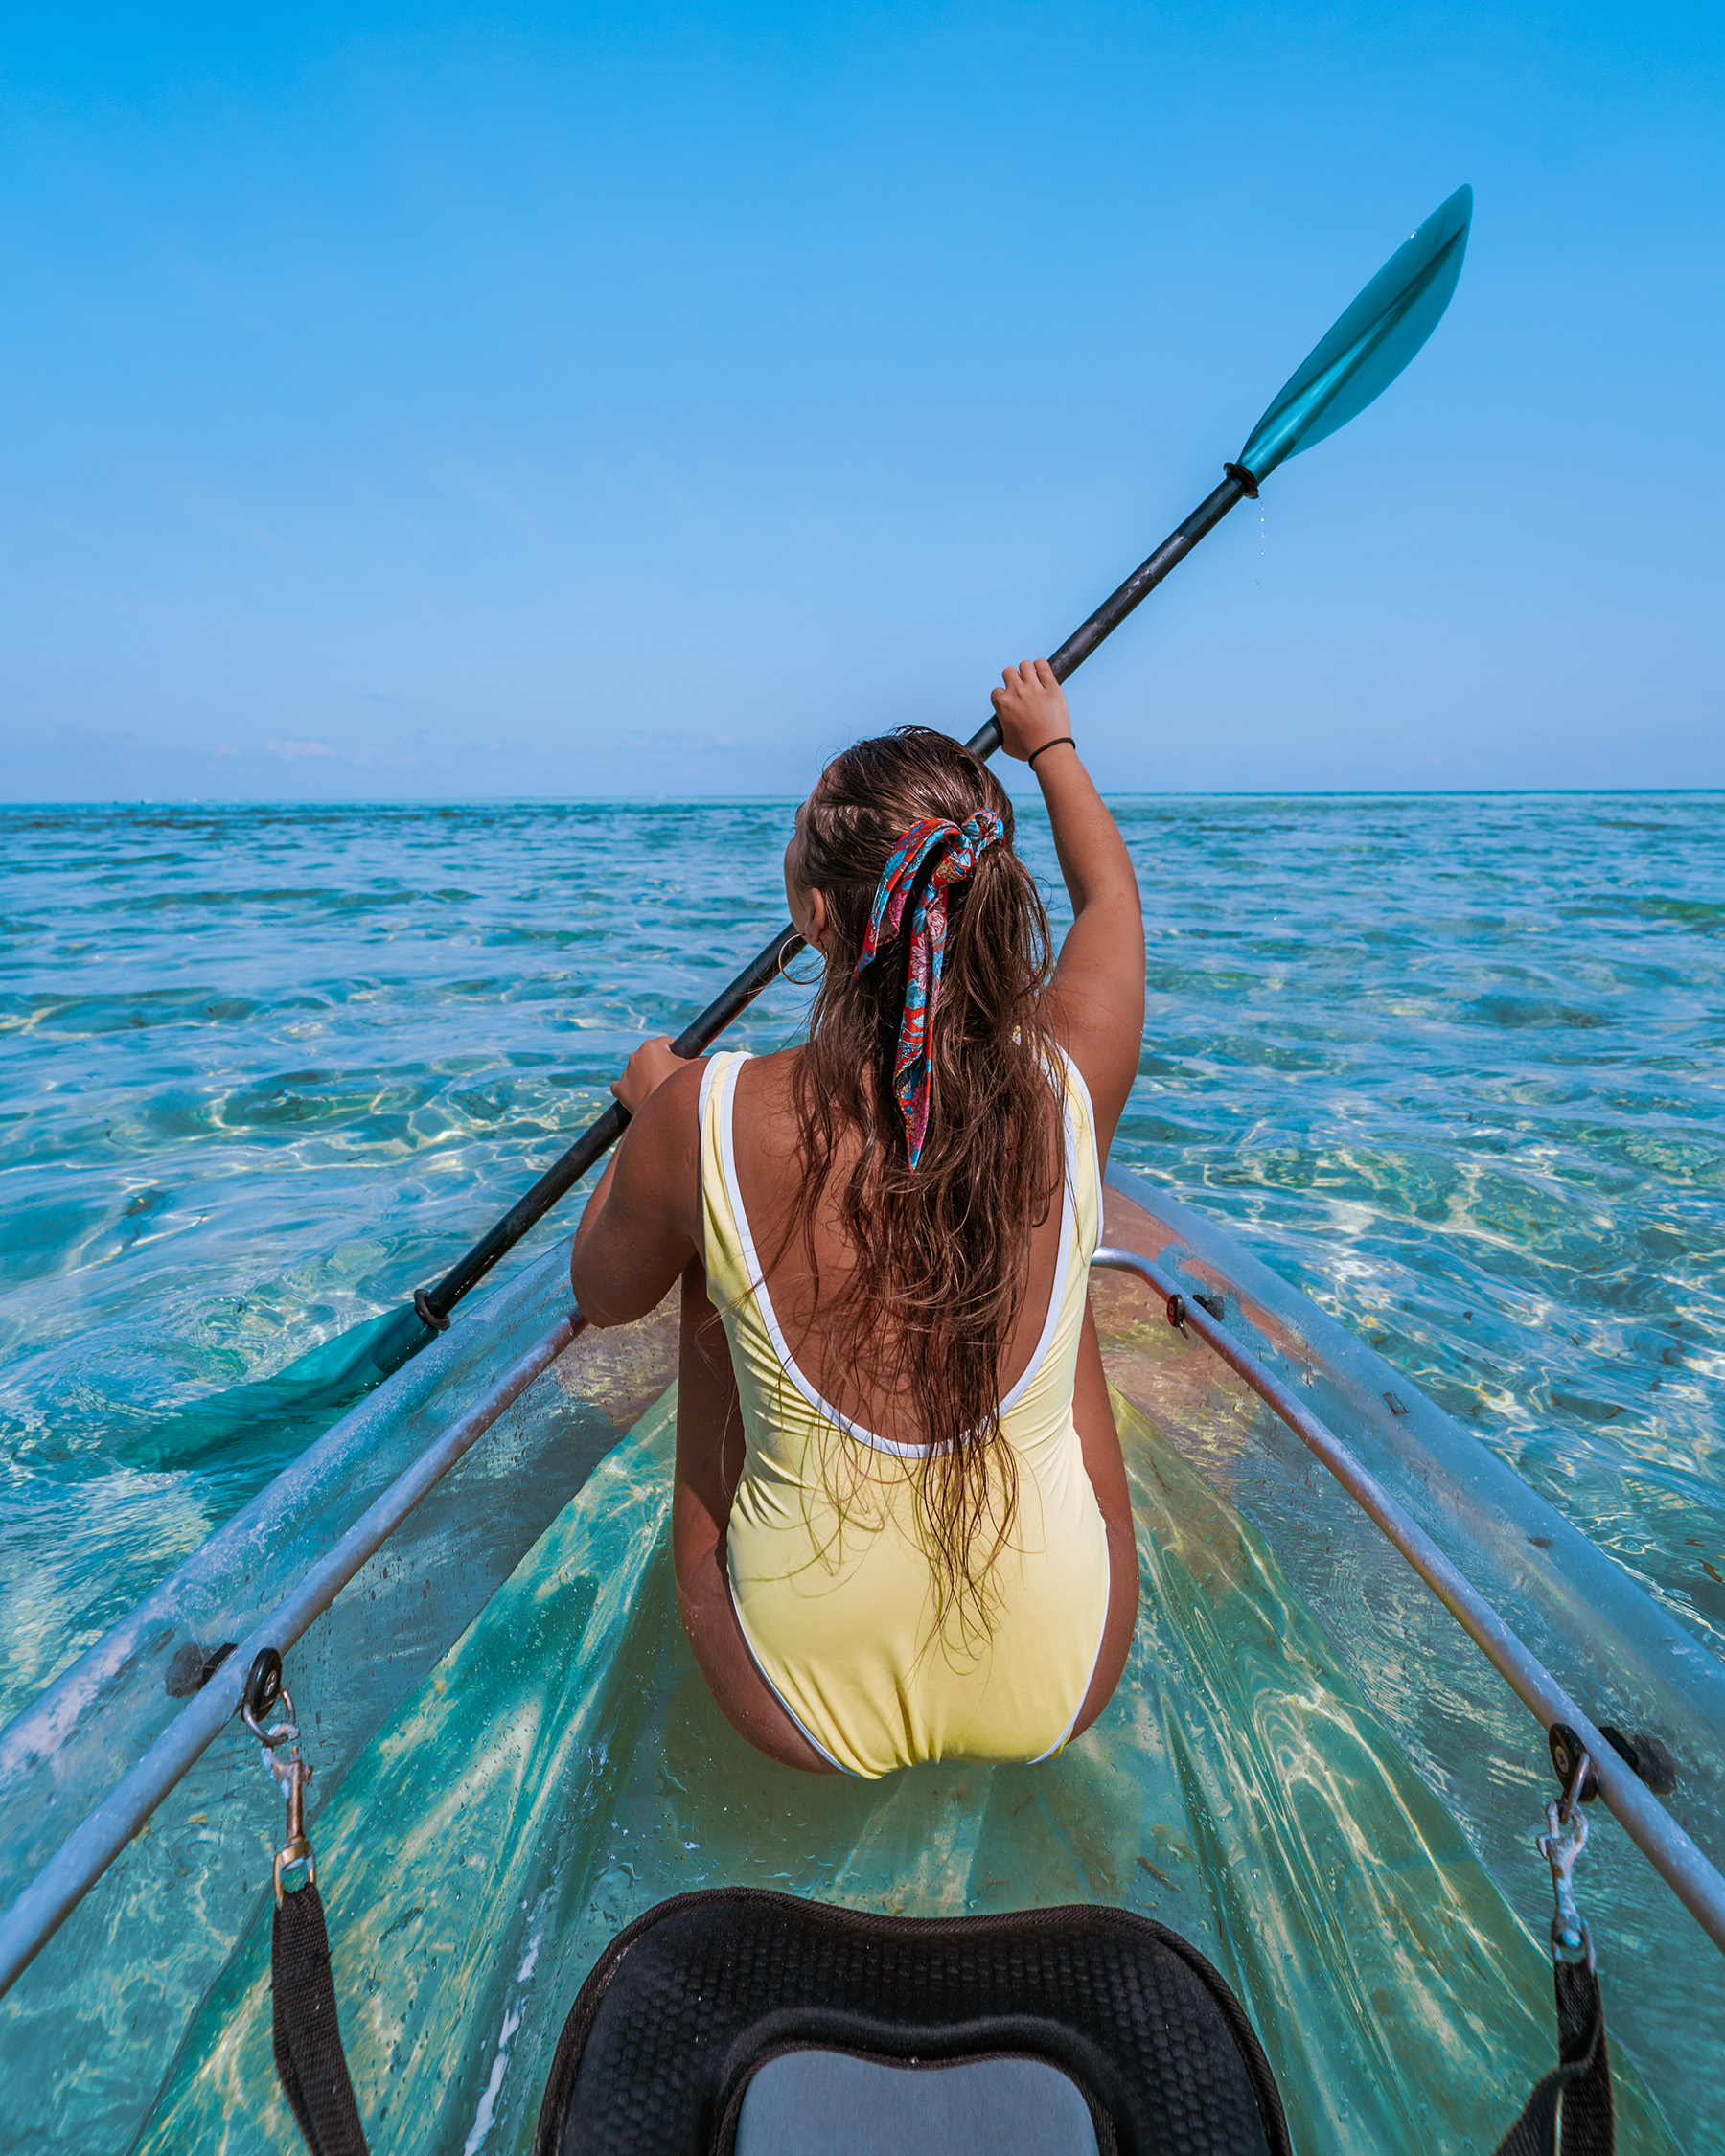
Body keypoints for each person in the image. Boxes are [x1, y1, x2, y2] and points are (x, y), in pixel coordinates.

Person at [570, 659, 1144, 1778]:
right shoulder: (1072, 1070)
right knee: (1055, 1253)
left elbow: (602, 1296)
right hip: (1068, 1669)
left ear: (817, 913)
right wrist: (1053, 743)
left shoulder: (710, 1112)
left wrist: (658, 1120)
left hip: (791, 1699)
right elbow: (1111, 903)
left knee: (707, 1250)